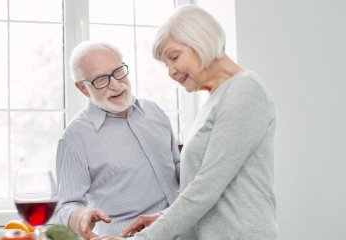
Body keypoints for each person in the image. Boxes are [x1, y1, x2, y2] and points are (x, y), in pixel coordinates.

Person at [91, 4, 278, 240]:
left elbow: (205, 188)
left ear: (202, 41)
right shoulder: (214, 99)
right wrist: (164, 216)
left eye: (174, 57)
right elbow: (212, 194)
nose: (170, 71)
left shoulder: (245, 91)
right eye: (165, 64)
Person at [54, 41, 180, 239]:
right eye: (101, 80)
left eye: (118, 72)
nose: (115, 84)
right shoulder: (75, 137)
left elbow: (178, 165)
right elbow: (65, 206)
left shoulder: (154, 111)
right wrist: (80, 216)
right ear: (83, 88)